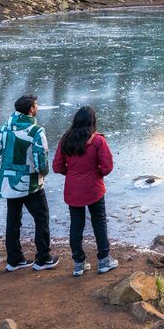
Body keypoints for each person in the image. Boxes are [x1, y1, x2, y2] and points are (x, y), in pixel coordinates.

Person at [0, 94, 57, 272]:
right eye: (36, 105)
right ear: (31, 109)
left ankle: (14, 260)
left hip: (9, 183)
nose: (37, 108)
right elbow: (41, 161)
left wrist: (9, 167)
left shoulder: (4, 128)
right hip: (30, 183)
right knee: (41, 218)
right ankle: (43, 258)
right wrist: (42, 174)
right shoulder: (36, 131)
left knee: (13, 220)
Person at [53, 106, 117, 277]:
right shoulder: (98, 141)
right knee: (99, 222)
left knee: (76, 224)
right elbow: (107, 167)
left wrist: (72, 173)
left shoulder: (65, 140)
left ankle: (79, 264)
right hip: (94, 188)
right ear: (93, 121)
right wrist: (95, 173)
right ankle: (104, 260)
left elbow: (57, 166)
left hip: (73, 189)